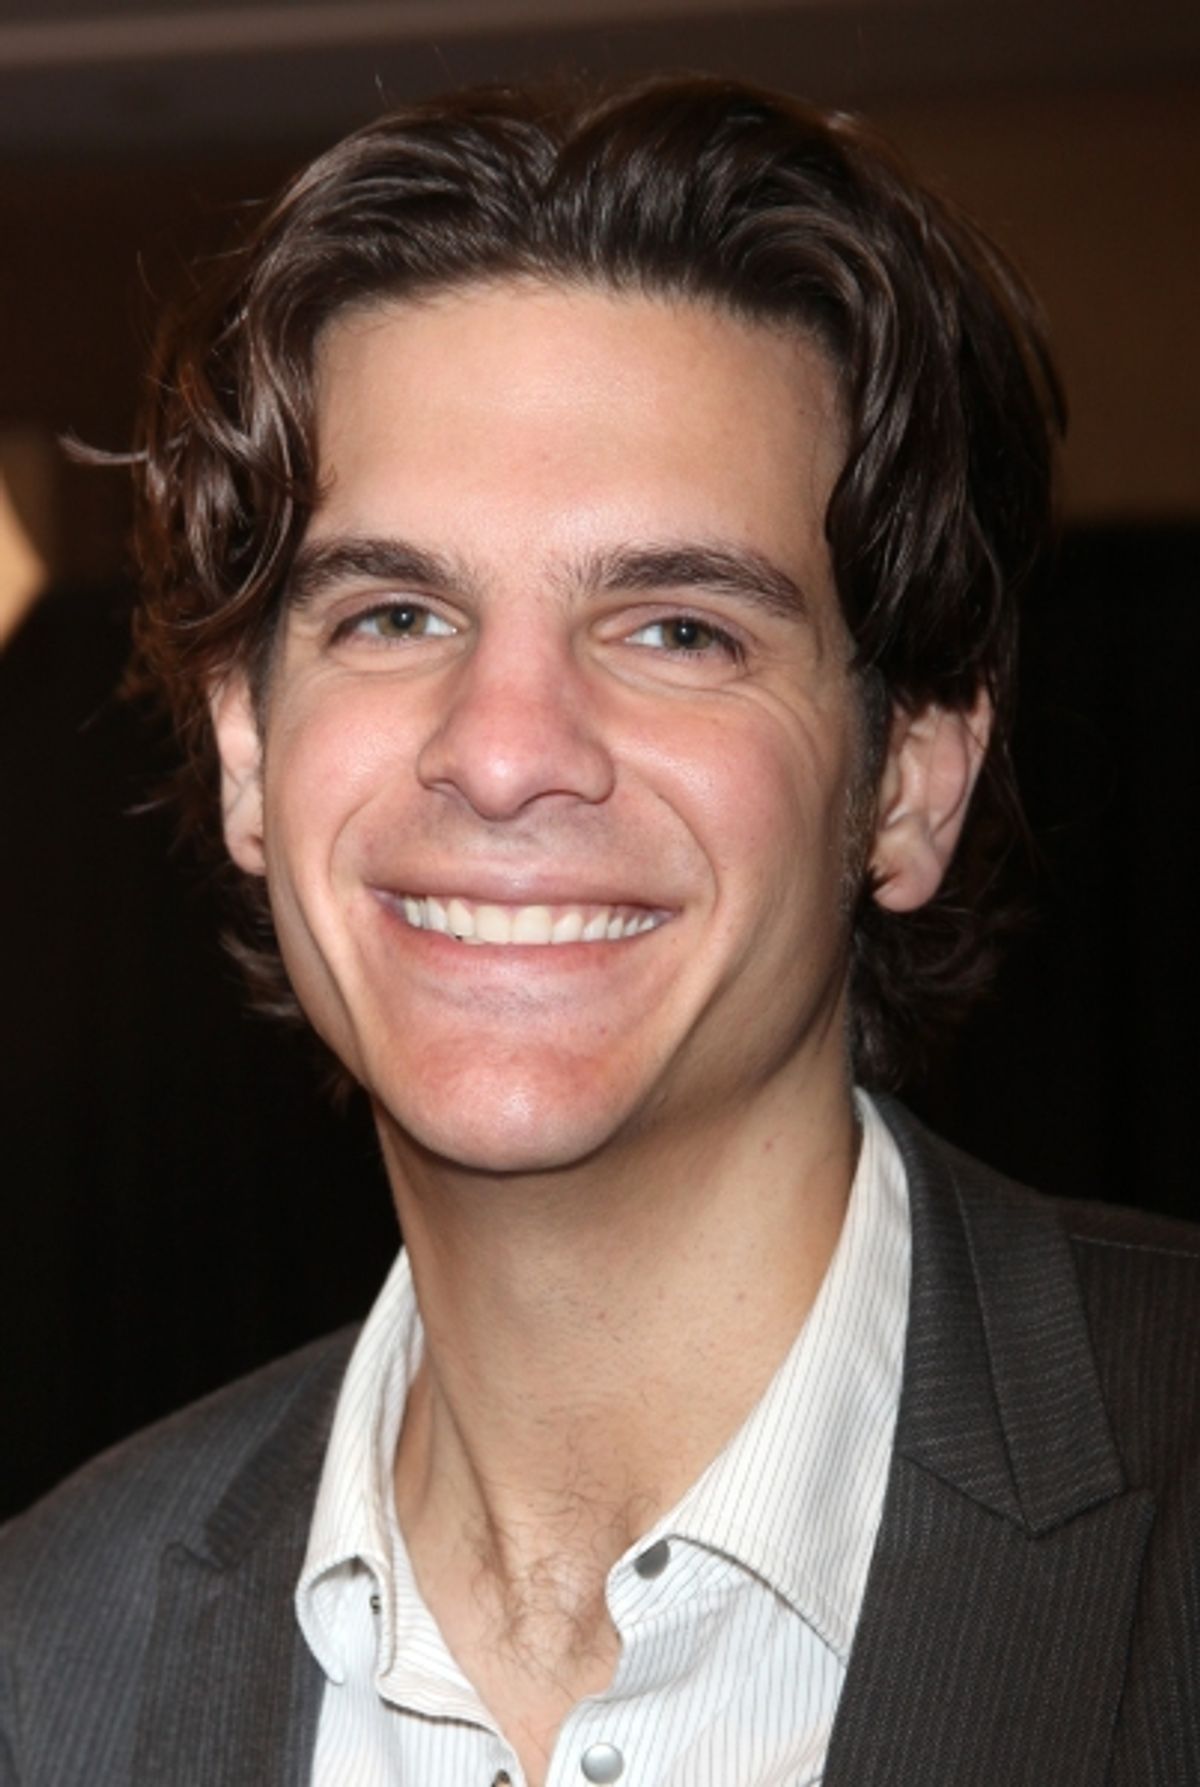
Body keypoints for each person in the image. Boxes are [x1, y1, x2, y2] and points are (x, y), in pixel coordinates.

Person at [2, 73, 1197, 1787]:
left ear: (910, 784)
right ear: (250, 758)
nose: (502, 751)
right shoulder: (45, 1666)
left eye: (678, 630)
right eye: (398, 610)